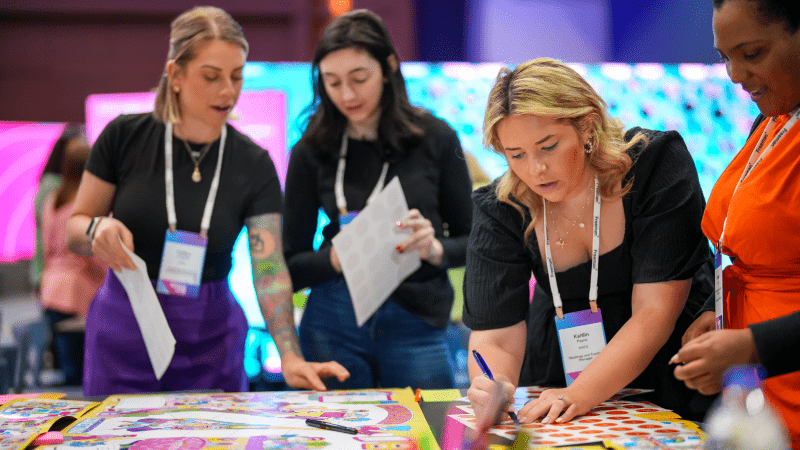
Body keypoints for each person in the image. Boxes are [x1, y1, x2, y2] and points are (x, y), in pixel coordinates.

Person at [66, 6, 347, 396]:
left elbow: (268, 270)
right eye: (212, 77)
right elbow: (76, 227)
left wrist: (290, 355)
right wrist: (97, 228)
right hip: (126, 328)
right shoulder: (124, 137)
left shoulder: (253, 162)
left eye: (236, 76)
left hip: (210, 340)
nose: (228, 91)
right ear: (176, 75)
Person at [463, 58, 715, 425]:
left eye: (548, 146)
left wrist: (579, 394)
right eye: (516, 155)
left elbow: (654, 314)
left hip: (667, 361)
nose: (535, 169)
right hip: (558, 369)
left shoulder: (654, 165)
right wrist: (494, 384)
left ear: (586, 125)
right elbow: (496, 336)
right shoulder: (502, 207)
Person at [283, 9, 473, 389]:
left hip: (417, 319)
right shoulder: (312, 149)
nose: (347, 95)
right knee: (334, 425)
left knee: (428, 425)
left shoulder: (435, 138)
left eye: (359, 79)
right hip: (334, 319)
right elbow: (290, 265)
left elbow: (474, 240)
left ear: (388, 68)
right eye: (332, 82)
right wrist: (338, 257)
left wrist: (435, 249)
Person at [673, 0, 800, 444]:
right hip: (760, 397)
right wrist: (719, 316)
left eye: (752, 54)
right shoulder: (772, 121)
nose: (734, 74)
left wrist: (754, 345)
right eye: (725, 57)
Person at [39, 126, 106, 386]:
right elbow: (93, 256)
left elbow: (46, 248)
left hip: (50, 290)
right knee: (82, 374)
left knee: (68, 370)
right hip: (78, 291)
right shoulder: (86, 207)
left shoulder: (52, 200)